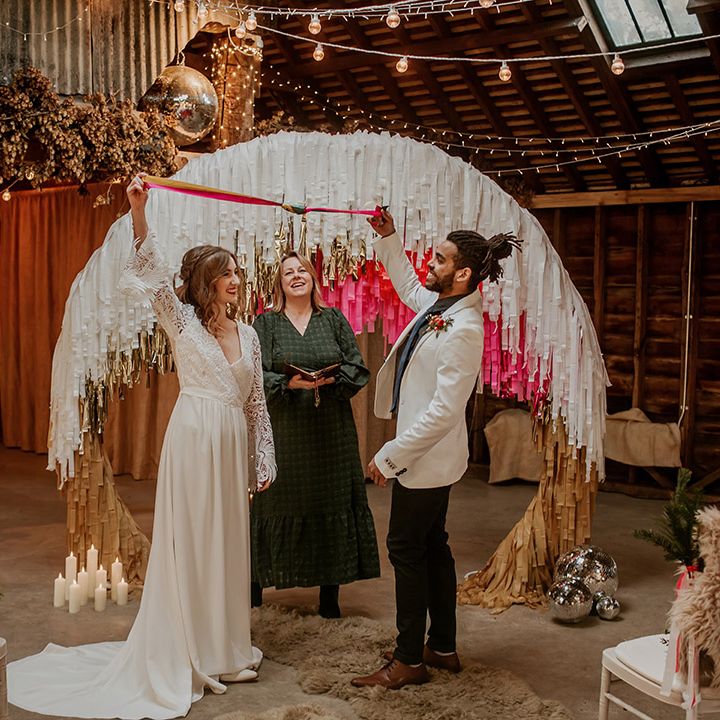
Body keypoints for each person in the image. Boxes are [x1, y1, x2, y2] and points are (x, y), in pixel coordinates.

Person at [8, 176, 276, 719]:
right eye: (225, 273)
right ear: (206, 281)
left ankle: (225, 648)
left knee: (228, 542)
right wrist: (138, 211)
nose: (235, 280)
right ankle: (190, 647)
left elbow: (255, 403)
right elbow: (151, 270)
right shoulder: (181, 322)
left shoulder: (248, 334)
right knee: (194, 541)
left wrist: (263, 455)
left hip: (231, 444)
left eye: (235, 272)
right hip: (194, 438)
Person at [351, 208, 520, 690]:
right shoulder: (443, 304)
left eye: (440, 258)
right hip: (429, 459)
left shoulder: (464, 329)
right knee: (433, 546)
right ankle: (442, 646)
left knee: (406, 549)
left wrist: (390, 456)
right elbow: (410, 287)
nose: (431, 261)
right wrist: (389, 237)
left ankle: (408, 659)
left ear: (462, 274)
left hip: (424, 461)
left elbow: (445, 413)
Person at [250, 251, 380, 618]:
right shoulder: (266, 324)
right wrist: (288, 383)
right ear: (280, 283)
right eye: (288, 272)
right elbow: (254, 374)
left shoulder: (333, 319)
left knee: (330, 502)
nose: (296, 276)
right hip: (285, 430)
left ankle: (329, 598)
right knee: (274, 503)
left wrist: (331, 379)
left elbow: (356, 367)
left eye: (302, 270)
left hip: (331, 432)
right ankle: (255, 589)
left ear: (312, 278)